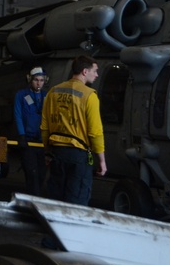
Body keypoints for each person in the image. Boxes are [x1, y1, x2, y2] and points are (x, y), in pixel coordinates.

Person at [41, 55, 106, 205]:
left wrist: (47, 151)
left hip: (57, 154)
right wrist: (101, 160)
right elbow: (95, 132)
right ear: (84, 71)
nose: (96, 75)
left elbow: (44, 126)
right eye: (94, 71)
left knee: (56, 200)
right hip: (78, 156)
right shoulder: (89, 96)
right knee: (76, 202)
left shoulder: (53, 92)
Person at [13, 66, 47, 196]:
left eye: (41, 80)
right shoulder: (21, 95)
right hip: (28, 141)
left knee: (41, 174)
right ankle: (34, 199)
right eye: (36, 80)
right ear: (30, 80)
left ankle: (35, 197)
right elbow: (18, 115)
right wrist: (21, 135)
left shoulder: (46, 96)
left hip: (42, 142)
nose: (39, 83)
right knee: (31, 173)